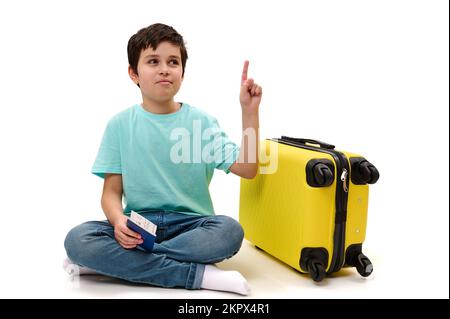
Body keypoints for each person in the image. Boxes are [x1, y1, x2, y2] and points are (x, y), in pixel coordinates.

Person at [63, 23, 262, 296]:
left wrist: (249, 113)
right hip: (138, 225)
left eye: (173, 62)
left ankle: (118, 264)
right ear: (134, 73)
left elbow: (248, 169)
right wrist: (119, 221)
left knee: (229, 231)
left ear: (182, 72)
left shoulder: (201, 122)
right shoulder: (119, 125)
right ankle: (197, 274)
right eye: (153, 61)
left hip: (192, 226)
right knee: (78, 240)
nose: (165, 69)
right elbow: (110, 194)